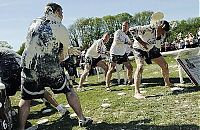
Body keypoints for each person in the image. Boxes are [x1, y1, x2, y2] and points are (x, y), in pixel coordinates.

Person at [18, 3, 92, 130]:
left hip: (28, 67)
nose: (63, 15)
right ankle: (82, 119)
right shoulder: (60, 27)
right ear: (55, 12)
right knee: (69, 90)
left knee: (26, 98)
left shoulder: (33, 23)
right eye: (61, 12)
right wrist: (69, 50)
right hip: (49, 67)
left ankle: (20, 128)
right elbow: (62, 57)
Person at [0, 47, 67, 130]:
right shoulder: (5, 50)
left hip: (10, 70)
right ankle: (60, 108)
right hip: (25, 67)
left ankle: (15, 122)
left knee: (7, 93)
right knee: (39, 88)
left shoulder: (3, 54)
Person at [129, 20, 173, 99]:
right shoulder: (148, 28)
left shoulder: (163, 35)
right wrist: (142, 43)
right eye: (162, 30)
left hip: (151, 49)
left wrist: (158, 36)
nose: (164, 33)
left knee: (165, 65)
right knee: (140, 67)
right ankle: (137, 92)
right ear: (158, 27)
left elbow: (158, 46)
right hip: (139, 48)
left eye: (165, 32)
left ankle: (167, 83)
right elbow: (131, 29)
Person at [105, 21, 133, 91]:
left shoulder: (126, 36)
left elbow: (130, 45)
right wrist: (128, 43)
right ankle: (107, 86)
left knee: (130, 67)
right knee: (111, 69)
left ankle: (130, 82)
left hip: (122, 54)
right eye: (123, 25)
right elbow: (117, 40)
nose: (124, 27)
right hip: (114, 53)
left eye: (126, 26)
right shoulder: (118, 32)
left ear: (128, 27)